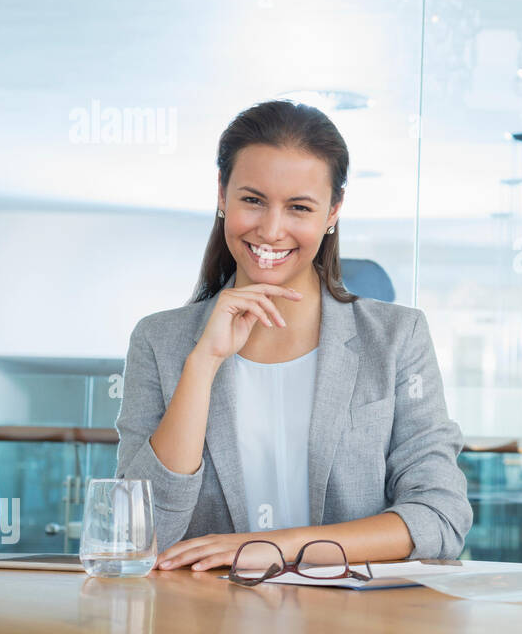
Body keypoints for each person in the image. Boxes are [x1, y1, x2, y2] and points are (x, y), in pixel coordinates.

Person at [114, 99, 471, 571]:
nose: (272, 229)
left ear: (332, 212)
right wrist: (202, 365)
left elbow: (439, 518)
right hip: (203, 629)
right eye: (252, 200)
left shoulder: (397, 337)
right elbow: (135, 533)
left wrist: (277, 546)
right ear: (222, 195)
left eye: (299, 207)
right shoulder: (159, 342)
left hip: (353, 630)